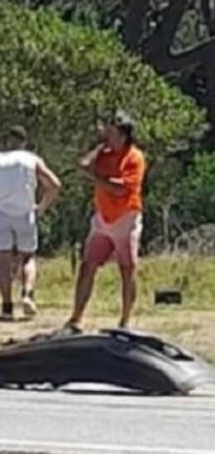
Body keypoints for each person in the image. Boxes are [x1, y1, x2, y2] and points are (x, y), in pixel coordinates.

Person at [64, 110, 147, 333]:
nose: (107, 134)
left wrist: (95, 178)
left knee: (127, 268)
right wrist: (99, 147)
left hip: (126, 217)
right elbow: (82, 165)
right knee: (87, 266)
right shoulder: (104, 153)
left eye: (111, 131)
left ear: (123, 134)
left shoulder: (134, 157)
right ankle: (76, 318)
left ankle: (125, 321)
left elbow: (120, 189)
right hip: (103, 217)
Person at [0, 126, 62, 321]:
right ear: (24, 141)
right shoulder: (32, 159)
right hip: (25, 212)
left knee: (3, 260)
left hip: (1, 213)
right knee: (27, 257)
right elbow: (54, 184)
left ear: (7, 141)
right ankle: (27, 294)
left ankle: (6, 307)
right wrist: (42, 206)